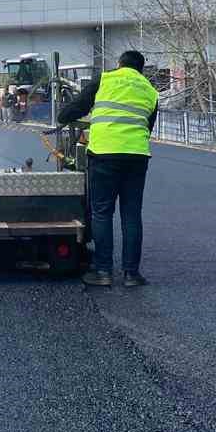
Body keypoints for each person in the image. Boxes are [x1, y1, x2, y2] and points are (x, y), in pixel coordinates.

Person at [57, 50, 159, 288]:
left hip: (104, 154)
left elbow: (76, 109)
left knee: (102, 213)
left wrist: (64, 116)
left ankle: (103, 271)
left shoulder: (105, 79)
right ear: (140, 70)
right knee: (131, 214)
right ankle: (131, 274)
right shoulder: (151, 91)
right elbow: (148, 126)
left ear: (119, 64)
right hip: (136, 155)